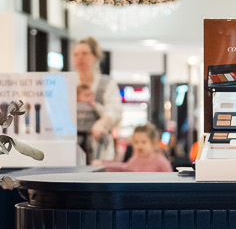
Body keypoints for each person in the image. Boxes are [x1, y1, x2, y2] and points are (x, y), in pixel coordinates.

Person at [71, 37, 122, 165]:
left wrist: (102, 123)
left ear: (94, 56)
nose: (80, 58)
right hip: (72, 146)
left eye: (84, 53)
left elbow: (115, 110)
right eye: (76, 54)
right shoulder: (68, 82)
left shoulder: (107, 83)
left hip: (98, 145)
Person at [103, 124, 173, 172]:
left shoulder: (161, 161)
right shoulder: (135, 159)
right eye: (136, 142)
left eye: (143, 142)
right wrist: (103, 164)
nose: (139, 145)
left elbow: (171, 181)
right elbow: (123, 167)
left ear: (152, 142)